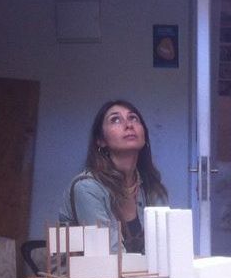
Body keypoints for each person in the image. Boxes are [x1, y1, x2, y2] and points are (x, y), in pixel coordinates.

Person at [59, 99, 169, 254]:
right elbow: (110, 256)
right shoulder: (87, 187)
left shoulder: (152, 189)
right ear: (101, 140)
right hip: (96, 269)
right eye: (115, 120)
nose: (128, 124)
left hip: (138, 269)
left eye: (133, 118)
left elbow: (163, 249)